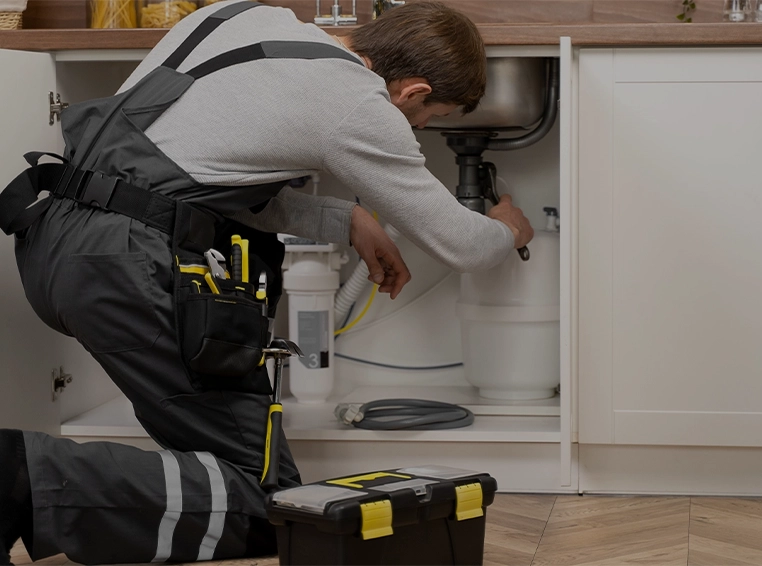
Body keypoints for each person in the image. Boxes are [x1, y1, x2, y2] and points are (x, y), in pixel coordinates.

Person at [0, 0, 533, 563]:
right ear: (414, 91)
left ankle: (30, 482)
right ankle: (18, 476)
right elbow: (463, 244)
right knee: (268, 507)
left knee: (237, 477)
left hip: (56, 243)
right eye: (430, 116)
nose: (421, 130)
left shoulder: (237, 15)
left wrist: (344, 218)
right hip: (130, 269)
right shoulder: (355, 101)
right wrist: (508, 228)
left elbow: (188, 171)